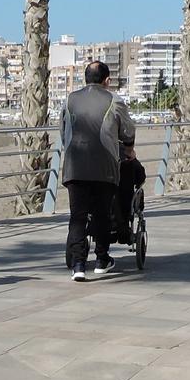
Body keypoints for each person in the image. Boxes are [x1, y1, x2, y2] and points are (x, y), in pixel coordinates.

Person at [58, 60, 135, 279]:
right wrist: (128, 150)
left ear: (85, 79)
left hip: (75, 167)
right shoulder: (114, 100)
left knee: (78, 217)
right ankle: (102, 259)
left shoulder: (70, 99)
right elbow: (128, 130)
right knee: (102, 214)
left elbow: (63, 131)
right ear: (107, 80)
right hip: (104, 168)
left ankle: (79, 266)